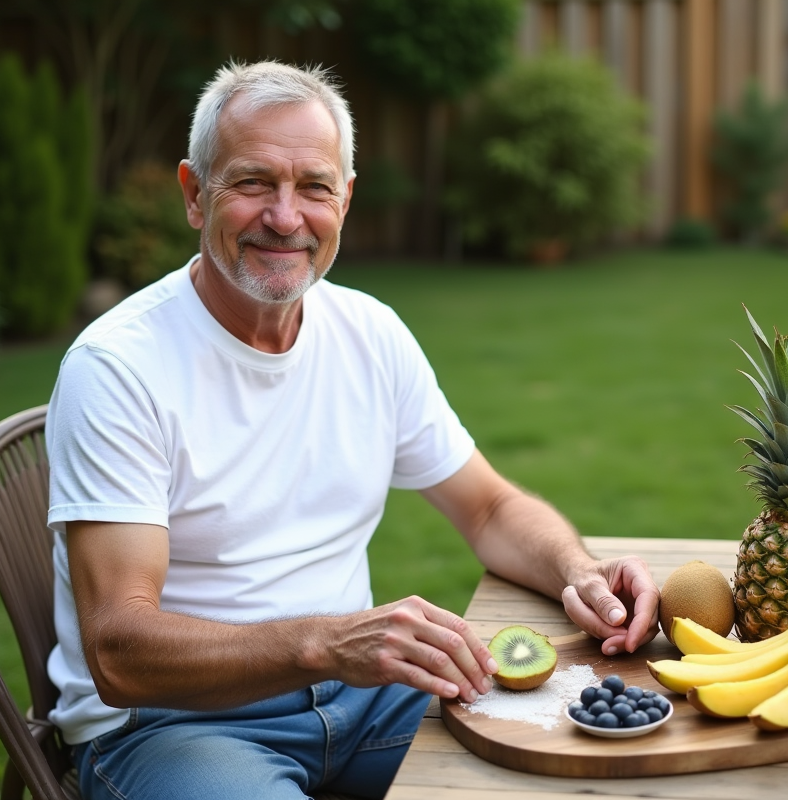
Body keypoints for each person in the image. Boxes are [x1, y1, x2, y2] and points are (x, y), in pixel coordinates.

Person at [45, 60, 659, 800]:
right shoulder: (119, 366)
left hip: (368, 698)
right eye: (251, 182)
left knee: (572, 765)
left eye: (313, 187)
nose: (284, 215)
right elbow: (119, 651)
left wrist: (577, 571)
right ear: (193, 195)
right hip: (174, 724)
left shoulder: (370, 332)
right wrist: (329, 642)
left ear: (347, 199)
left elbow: (490, 507)